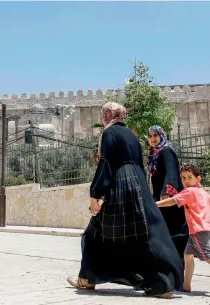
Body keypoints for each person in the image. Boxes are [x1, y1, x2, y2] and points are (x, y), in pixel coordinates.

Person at [67, 102, 184, 299]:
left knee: (96, 231)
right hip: (138, 186)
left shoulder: (109, 133)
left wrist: (96, 193)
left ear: (107, 115)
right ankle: (161, 284)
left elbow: (106, 163)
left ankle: (87, 278)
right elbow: (140, 164)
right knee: (141, 234)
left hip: (119, 185)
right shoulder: (132, 135)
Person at [156, 164, 210, 299]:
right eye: (183, 178)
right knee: (188, 256)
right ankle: (186, 286)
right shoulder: (203, 192)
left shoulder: (189, 191)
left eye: (189, 178)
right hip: (203, 230)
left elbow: (172, 201)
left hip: (198, 230)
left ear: (198, 179)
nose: (186, 181)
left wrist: (155, 204)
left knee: (208, 256)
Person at [147, 125, 189, 264]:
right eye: (150, 136)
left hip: (169, 198)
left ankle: (179, 265)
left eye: (155, 136)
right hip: (160, 197)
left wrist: (167, 191)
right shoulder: (155, 152)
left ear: (161, 136)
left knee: (174, 230)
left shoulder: (166, 151)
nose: (153, 139)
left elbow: (172, 172)